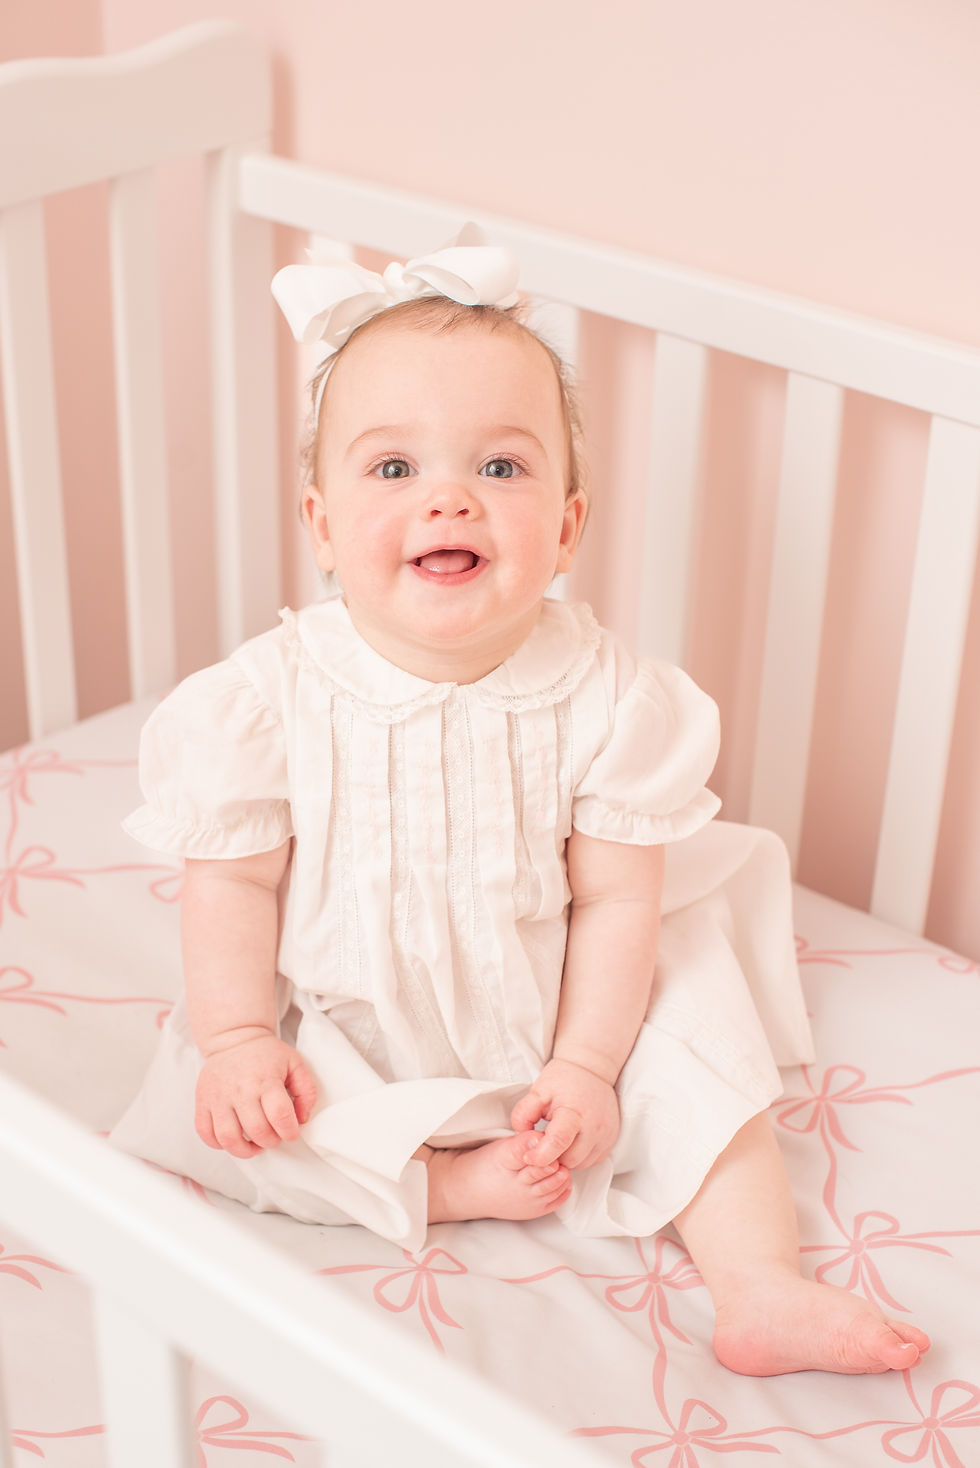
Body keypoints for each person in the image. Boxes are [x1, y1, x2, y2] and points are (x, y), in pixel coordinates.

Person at [111, 231, 930, 1377]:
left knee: (700, 1025)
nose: (449, 496)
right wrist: (242, 1038)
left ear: (565, 528)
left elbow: (610, 901)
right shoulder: (262, 703)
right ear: (321, 526)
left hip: (557, 1011)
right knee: (240, 1117)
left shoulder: (608, 695)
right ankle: (444, 1183)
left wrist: (592, 1063)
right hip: (353, 1020)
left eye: (499, 468)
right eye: (392, 469)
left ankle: (758, 1284)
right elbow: (236, 880)